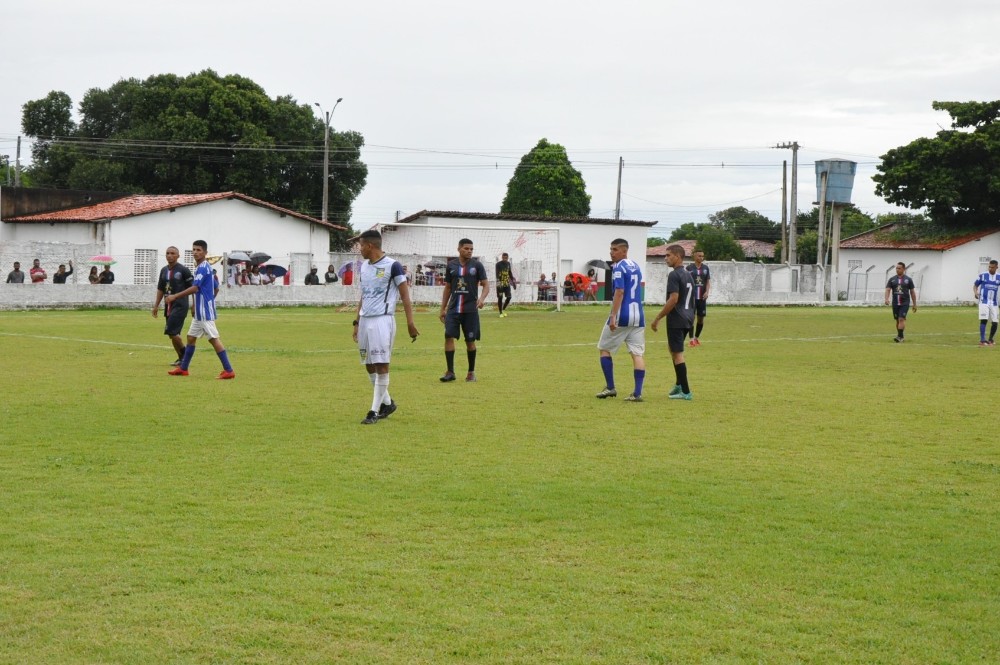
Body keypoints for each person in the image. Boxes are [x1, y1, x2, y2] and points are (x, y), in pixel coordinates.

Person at [352, 229, 420, 424]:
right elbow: (364, 296)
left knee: (382, 365)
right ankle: (388, 403)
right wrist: (356, 322)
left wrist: (410, 323)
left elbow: (405, 296)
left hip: (383, 320)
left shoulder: (393, 266)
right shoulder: (364, 267)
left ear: (370, 245)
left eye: (361, 245)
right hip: (365, 320)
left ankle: (373, 411)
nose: (360, 249)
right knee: (368, 365)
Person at [166, 239, 235, 379]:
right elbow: (215, 287)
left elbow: (195, 288)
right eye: (194, 250)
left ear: (205, 252)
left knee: (213, 339)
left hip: (204, 312)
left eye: (199, 250)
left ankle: (229, 370)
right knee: (191, 338)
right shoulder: (205, 267)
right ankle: (183, 368)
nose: (195, 252)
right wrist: (206, 300)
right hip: (200, 311)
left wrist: (175, 296)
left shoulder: (203, 267)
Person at [595, 238, 646, 402]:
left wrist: (612, 316)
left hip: (622, 316)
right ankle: (637, 393)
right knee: (637, 354)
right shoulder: (636, 266)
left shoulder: (618, 268)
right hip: (638, 316)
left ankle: (610, 387)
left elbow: (620, 292)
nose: (612, 252)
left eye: (615, 249)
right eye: (611, 249)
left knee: (604, 348)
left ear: (625, 251)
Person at [439, 238, 489, 382]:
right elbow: (448, 288)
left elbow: (486, 285)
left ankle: (471, 372)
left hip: (470, 310)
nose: (469, 251)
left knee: (470, 341)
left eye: (471, 249)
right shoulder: (451, 265)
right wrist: (443, 309)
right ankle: (450, 372)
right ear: (459, 248)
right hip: (453, 309)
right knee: (448, 336)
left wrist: (481, 299)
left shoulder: (477, 265)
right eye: (466, 248)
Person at [652, 244, 696, 400]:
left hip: (677, 319)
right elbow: (692, 299)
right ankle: (678, 384)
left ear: (678, 256)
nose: (666, 258)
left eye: (668, 255)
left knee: (677, 354)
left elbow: (674, 299)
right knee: (673, 349)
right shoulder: (689, 274)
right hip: (688, 317)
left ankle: (685, 391)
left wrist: (658, 318)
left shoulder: (674, 275)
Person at [152, 246, 195, 366]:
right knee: (172, 334)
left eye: (172, 253)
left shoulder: (183, 270)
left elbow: (193, 288)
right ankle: (181, 359)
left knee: (171, 331)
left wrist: (194, 305)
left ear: (178, 256)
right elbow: (161, 289)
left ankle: (185, 356)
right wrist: (156, 305)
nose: (170, 255)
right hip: (168, 306)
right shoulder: (163, 270)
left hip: (181, 305)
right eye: (167, 253)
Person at [885, 261, 917, 343]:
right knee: (897, 320)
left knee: (901, 319)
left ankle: (899, 337)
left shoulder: (908, 280)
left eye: (899, 268)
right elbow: (888, 289)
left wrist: (914, 304)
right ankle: (901, 336)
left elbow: (912, 292)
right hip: (895, 303)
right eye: (896, 268)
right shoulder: (892, 279)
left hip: (904, 303)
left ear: (904, 269)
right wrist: (886, 299)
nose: (897, 270)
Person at [686, 250, 711, 346]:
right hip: (692, 298)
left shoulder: (706, 268)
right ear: (695, 256)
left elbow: (708, 281)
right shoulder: (689, 268)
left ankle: (696, 338)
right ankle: (691, 339)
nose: (701, 258)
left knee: (701, 319)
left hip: (702, 298)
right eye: (699, 256)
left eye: (702, 256)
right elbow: (686, 281)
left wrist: (707, 292)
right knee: (691, 318)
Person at [974, 259, 1000, 346]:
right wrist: (976, 292)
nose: (990, 269)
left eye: (992, 267)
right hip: (983, 301)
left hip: (994, 303)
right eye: (989, 267)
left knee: (995, 322)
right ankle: (982, 340)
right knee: (984, 320)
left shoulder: (999, 277)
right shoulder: (983, 275)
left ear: (997, 267)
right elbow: (975, 285)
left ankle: (990, 339)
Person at [495, 252, 517, 317]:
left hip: (506, 284)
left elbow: (510, 273)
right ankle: (500, 313)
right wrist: (499, 283)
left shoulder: (508, 264)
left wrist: (513, 282)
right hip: (500, 284)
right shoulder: (498, 264)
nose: (505, 259)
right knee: (500, 298)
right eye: (504, 258)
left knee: (509, 297)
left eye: (506, 258)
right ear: (502, 257)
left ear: (507, 258)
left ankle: (503, 309)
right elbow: (497, 274)